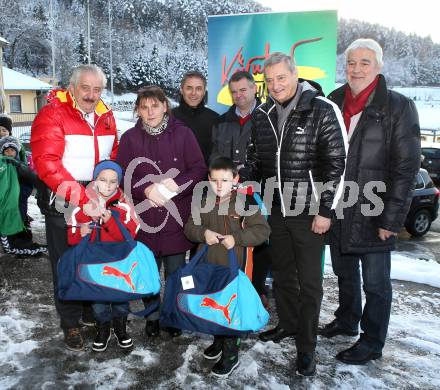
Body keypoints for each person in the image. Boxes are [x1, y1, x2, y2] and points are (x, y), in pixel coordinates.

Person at [240, 52, 346, 376]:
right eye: (269, 81)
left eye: (281, 78)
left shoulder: (322, 109)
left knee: (310, 283)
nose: (275, 86)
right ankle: (287, 324)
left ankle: (307, 347)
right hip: (274, 210)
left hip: (310, 212)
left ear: (295, 74)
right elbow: (255, 159)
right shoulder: (262, 114)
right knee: (284, 275)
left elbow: (337, 164)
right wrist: (246, 194)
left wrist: (326, 210)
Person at [321, 39, 421, 365]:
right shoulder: (333, 101)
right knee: (344, 273)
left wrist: (391, 221)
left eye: (365, 62)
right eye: (351, 62)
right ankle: (347, 320)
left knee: (376, 283)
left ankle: (372, 340)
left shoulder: (398, 106)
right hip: (338, 208)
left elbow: (405, 169)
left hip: (374, 210)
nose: (357, 69)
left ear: (378, 67)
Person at [31, 64, 118, 351]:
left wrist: (108, 190)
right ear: (72, 86)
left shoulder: (106, 115)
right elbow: (47, 164)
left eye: (97, 89)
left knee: (90, 259)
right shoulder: (53, 113)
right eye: (86, 88)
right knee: (66, 263)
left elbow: (113, 155)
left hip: (96, 198)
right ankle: (70, 322)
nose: (91, 95)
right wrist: (84, 198)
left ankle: (88, 310)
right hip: (64, 202)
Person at [116, 85, 207, 339]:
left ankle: (173, 315)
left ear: (165, 106)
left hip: (176, 218)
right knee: (148, 273)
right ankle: (153, 316)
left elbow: (199, 169)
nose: (150, 111)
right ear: (138, 111)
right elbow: (123, 177)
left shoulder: (184, 134)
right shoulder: (130, 139)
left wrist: (177, 185)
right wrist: (145, 190)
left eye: (155, 105)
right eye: (144, 107)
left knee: (177, 272)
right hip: (145, 220)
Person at [184, 156, 270, 377]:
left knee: (232, 310)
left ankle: (231, 353)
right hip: (210, 267)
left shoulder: (246, 203)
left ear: (236, 179)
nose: (219, 185)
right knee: (215, 305)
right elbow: (190, 227)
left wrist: (237, 238)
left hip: (236, 269)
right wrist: (204, 233)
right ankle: (219, 340)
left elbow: (262, 231)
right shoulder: (202, 202)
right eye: (214, 180)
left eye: (225, 179)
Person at [210, 70, 270, 306]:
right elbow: (214, 156)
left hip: (259, 191)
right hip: (228, 193)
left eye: (243, 90)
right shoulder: (221, 122)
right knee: (230, 239)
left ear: (255, 89)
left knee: (259, 241)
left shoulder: (269, 117)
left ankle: (256, 290)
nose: (239, 95)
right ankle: (229, 288)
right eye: (234, 92)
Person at [67, 160, 139, 352]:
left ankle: (121, 329)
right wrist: (80, 233)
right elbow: (71, 235)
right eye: (102, 179)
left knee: (120, 301)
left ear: (119, 183)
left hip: (119, 265)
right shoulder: (83, 204)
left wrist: (110, 222)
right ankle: (103, 330)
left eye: (113, 181)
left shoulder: (125, 206)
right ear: (94, 180)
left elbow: (129, 236)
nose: (107, 185)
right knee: (98, 303)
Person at [0, 136, 46, 257]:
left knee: (21, 219)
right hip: (9, 202)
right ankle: (13, 242)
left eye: (12, 150)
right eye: (6, 151)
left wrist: (21, 194)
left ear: (17, 151)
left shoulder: (20, 165)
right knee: (11, 221)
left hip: (20, 200)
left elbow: (29, 181)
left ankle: (21, 243)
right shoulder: (3, 166)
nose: (9, 153)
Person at [172, 71, 219, 164]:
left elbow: (218, 157)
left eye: (198, 89)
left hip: (206, 177)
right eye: (189, 88)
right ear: (181, 90)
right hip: (174, 177)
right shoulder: (169, 117)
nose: (193, 93)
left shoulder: (216, 119)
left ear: (204, 91)